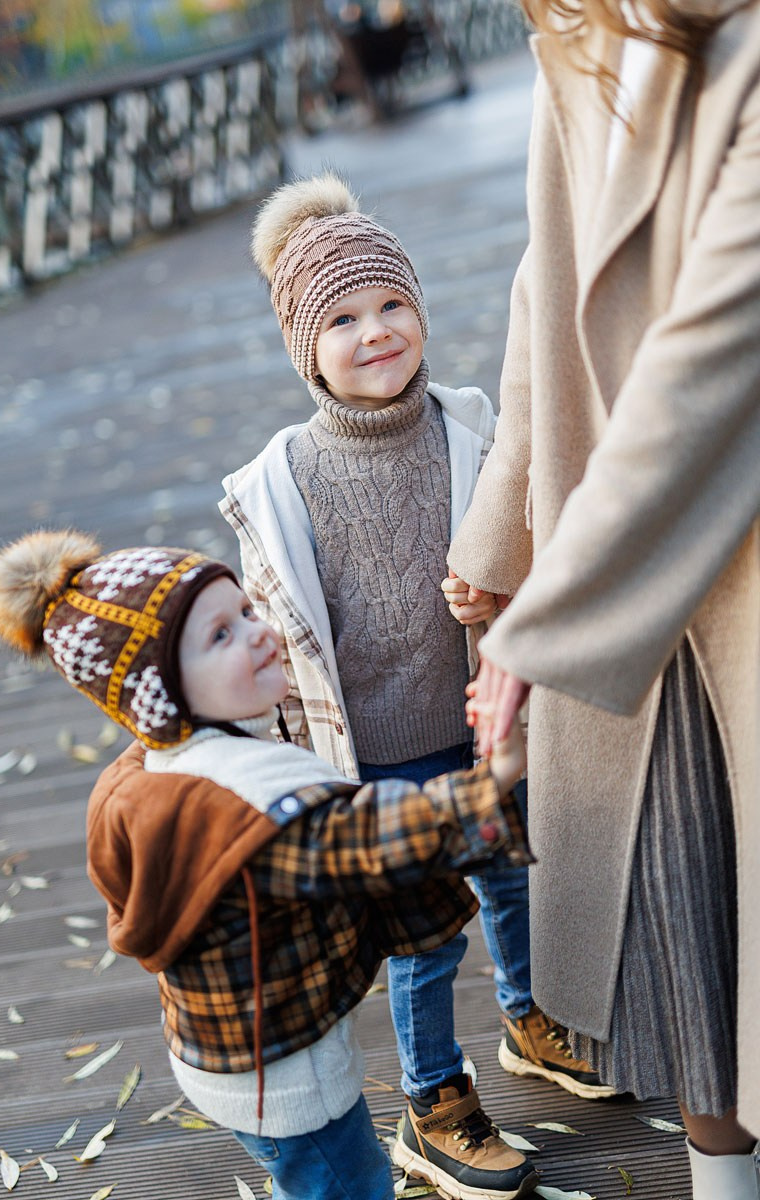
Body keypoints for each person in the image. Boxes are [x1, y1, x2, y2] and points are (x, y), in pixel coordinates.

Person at [218, 172, 612, 1197]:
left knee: (513, 881)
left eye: (392, 304)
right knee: (424, 935)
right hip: (375, 762)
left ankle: (530, 1017)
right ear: (305, 349)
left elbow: (530, 535)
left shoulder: (471, 427)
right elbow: (279, 640)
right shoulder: (282, 480)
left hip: (478, 725)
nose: (376, 332)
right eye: (342, 319)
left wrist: (497, 587)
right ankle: (432, 1102)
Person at [446, 0, 760, 1196]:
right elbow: (547, 300)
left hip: (700, 540)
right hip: (615, 554)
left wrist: (547, 616)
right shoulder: (575, 38)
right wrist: (499, 544)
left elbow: (708, 363)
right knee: (681, 932)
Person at [0, 529, 537, 1200]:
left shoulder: (155, 766)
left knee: (306, 1178)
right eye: (221, 635)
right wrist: (497, 773)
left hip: (233, 1051)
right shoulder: (240, 813)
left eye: (245, 610)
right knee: (346, 1183)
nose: (259, 631)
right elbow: (369, 835)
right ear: (162, 693)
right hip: (283, 1077)